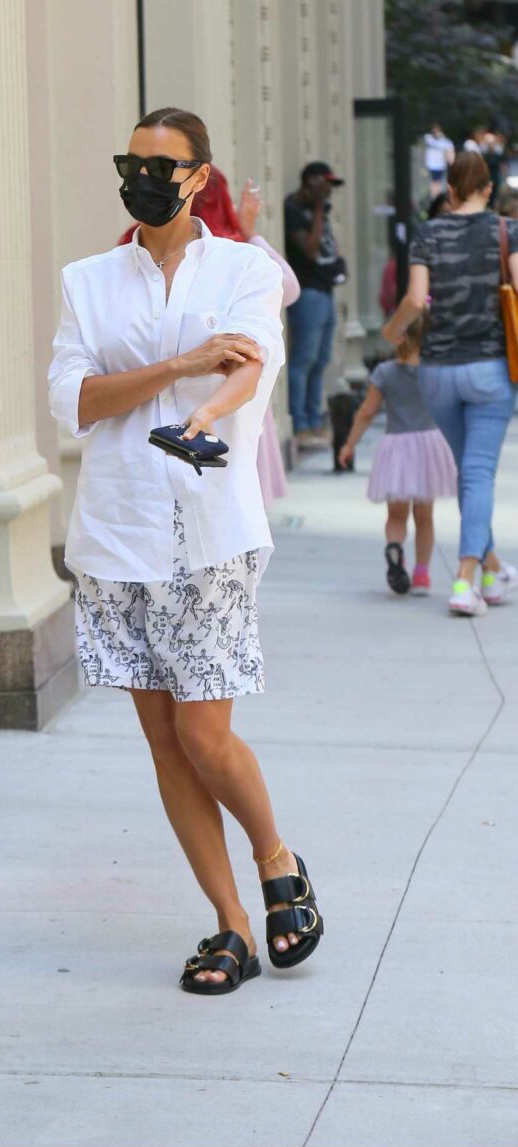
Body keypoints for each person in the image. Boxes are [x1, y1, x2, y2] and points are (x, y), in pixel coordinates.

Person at [49, 107, 323, 994]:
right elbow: (75, 400)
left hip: (209, 532)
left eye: (163, 165)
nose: (145, 177)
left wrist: (206, 409)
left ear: (199, 176)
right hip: (119, 535)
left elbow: (251, 363)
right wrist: (175, 370)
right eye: (132, 161)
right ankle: (232, 925)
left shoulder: (243, 267)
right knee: (166, 742)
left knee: (206, 736)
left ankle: (275, 855)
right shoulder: (87, 280)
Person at [383, 151, 518, 617]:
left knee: (468, 472)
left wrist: (393, 331)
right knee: (478, 473)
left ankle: (491, 569)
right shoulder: (507, 232)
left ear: (452, 190)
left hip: (437, 372)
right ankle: (465, 580)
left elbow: (416, 300)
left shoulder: (429, 232)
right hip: (491, 369)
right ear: (488, 189)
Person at [119, 166, 300, 505]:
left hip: (149, 395)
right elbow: (289, 288)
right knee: (232, 507)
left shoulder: (140, 241)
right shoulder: (237, 250)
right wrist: (251, 232)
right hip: (232, 394)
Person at [338, 316, 457, 595]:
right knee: (425, 516)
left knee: (396, 515)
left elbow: (367, 412)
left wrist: (349, 444)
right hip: (429, 446)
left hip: (397, 448)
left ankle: (395, 549)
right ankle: (422, 575)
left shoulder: (384, 372)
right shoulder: (434, 370)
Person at [284, 162, 347, 450]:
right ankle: (300, 423)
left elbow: (326, 247)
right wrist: (319, 211)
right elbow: (308, 251)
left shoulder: (321, 211)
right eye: (326, 184)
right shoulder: (294, 211)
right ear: (311, 181)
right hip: (307, 292)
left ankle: (314, 419)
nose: (329, 191)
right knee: (303, 360)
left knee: (321, 359)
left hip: (325, 289)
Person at [423, 123, 454, 198]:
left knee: (438, 183)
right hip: (431, 165)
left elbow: (449, 150)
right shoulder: (429, 138)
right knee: (434, 183)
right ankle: (433, 197)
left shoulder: (445, 141)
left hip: (440, 165)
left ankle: (436, 197)